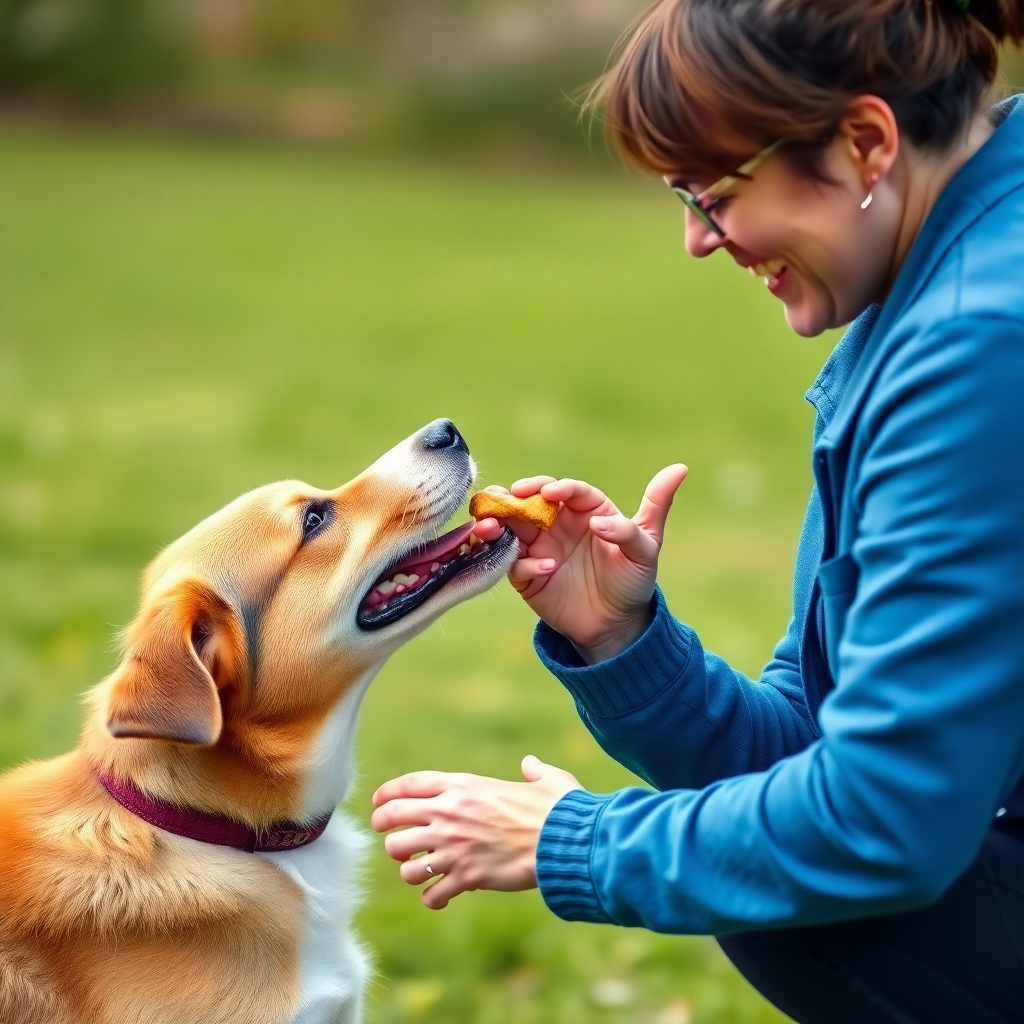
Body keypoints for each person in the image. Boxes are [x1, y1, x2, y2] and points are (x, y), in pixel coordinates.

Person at [370, 1, 1024, 1020]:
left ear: (863, 143)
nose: (695, 239)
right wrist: (622, 636)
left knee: (801, 900)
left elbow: (883, 820)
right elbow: (824, 746)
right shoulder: (936, 284)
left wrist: (568, 843)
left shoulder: (977, 345)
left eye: (713, 193)